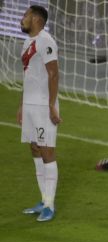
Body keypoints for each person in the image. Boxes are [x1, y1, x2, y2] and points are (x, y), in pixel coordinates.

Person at [18, 5, 61, 222]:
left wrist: (52, 105)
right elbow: (29, 76)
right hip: (29, 105)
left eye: (25, 15)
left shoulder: (46, 41)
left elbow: (53, 75)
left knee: (47, 152)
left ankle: (50, 205)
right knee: (35, 149)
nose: (22, 18)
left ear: (36, 19)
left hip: (44, 106)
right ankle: (43, 199)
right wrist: (21, 106)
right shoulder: (28, 41)